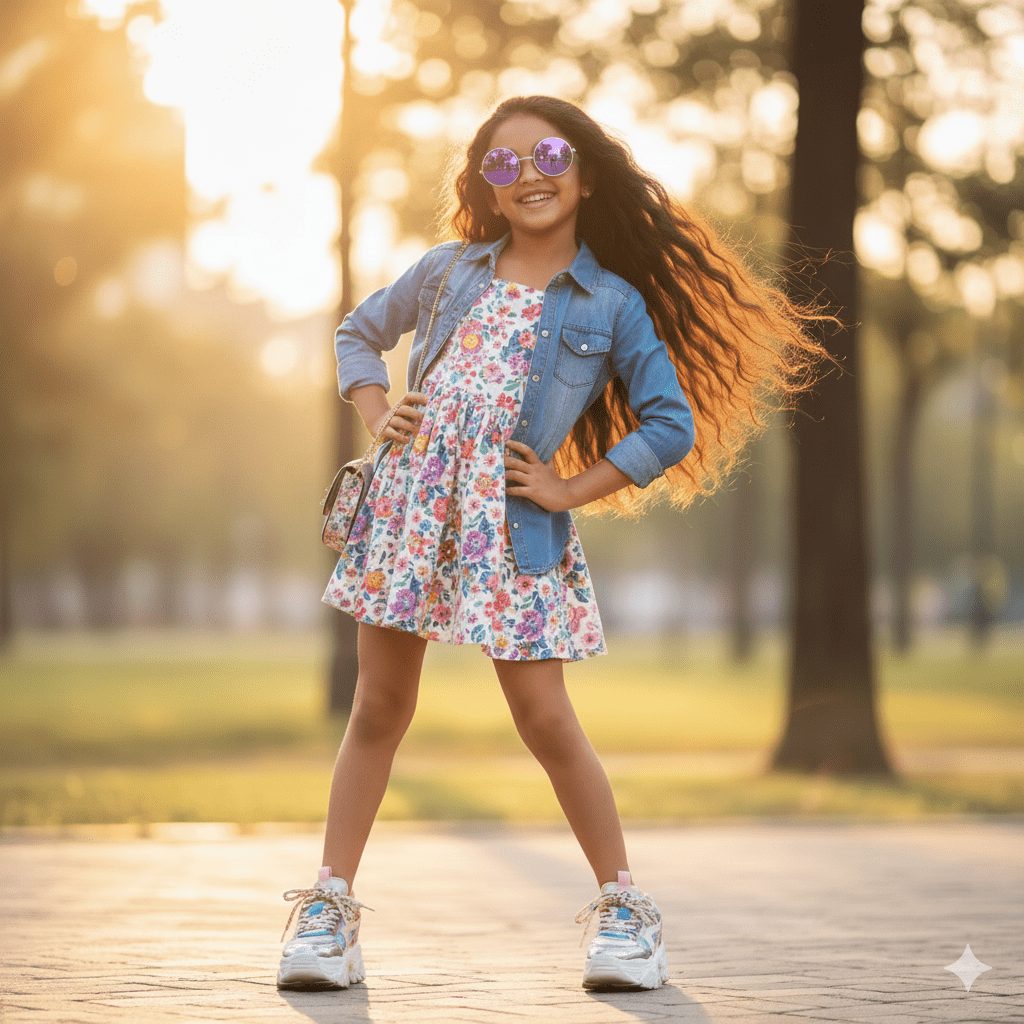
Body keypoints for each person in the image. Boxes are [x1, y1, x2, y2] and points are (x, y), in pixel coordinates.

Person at [277, 95, 838, 993]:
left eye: (545, 157)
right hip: (410, 515)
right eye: (502, 165)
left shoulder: (609, 304)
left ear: (580, 173)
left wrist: (572, 487)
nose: (527, 175)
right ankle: (328, 910)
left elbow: (668, 422)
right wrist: (378, 410)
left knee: (545, 721)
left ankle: (625, 914)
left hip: (515, 533)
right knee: (378, 711)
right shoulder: (447, 271)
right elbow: (357, 332)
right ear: (485, 190)